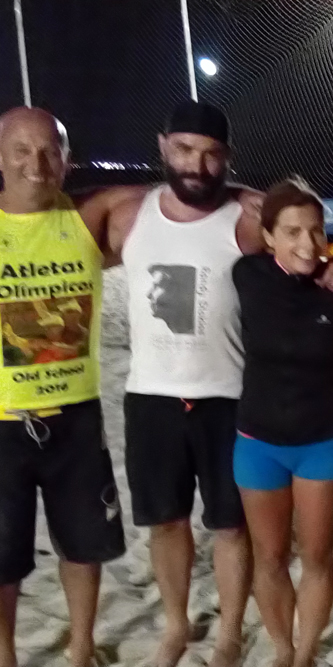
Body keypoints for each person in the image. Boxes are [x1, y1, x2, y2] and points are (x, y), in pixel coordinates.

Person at [75, 100, 333, 667]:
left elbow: (296, 235)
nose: (196, 164)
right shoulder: (126, 212)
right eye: (184, 150)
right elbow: (59, 252)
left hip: (230, 399)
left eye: (210, 155)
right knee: (165, 522)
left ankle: (230, 631)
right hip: (151, 393)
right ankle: (175, 625)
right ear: (163, 146)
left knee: (232, 527)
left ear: (227, 157)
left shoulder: (246, 217)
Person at [0, 107, 126, 667]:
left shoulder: (86, 220)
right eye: (22, 150)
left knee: (83, 545)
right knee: (2, 558)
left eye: (50, 151)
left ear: (67, 160)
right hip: (3, 422)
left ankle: (81, 647)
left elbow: (177, 197)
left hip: (76, 416)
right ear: (1, 156)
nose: (37, 163)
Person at [231, 177, 333, 667]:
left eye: (316, 231)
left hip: (321, 442)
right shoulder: (247, 274)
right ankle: (282, 649)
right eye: (292, 232)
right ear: (268, 237)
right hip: (257, 441)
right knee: (268, 557)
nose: (308, 243)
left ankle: (306, 653)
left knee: (317, 558)